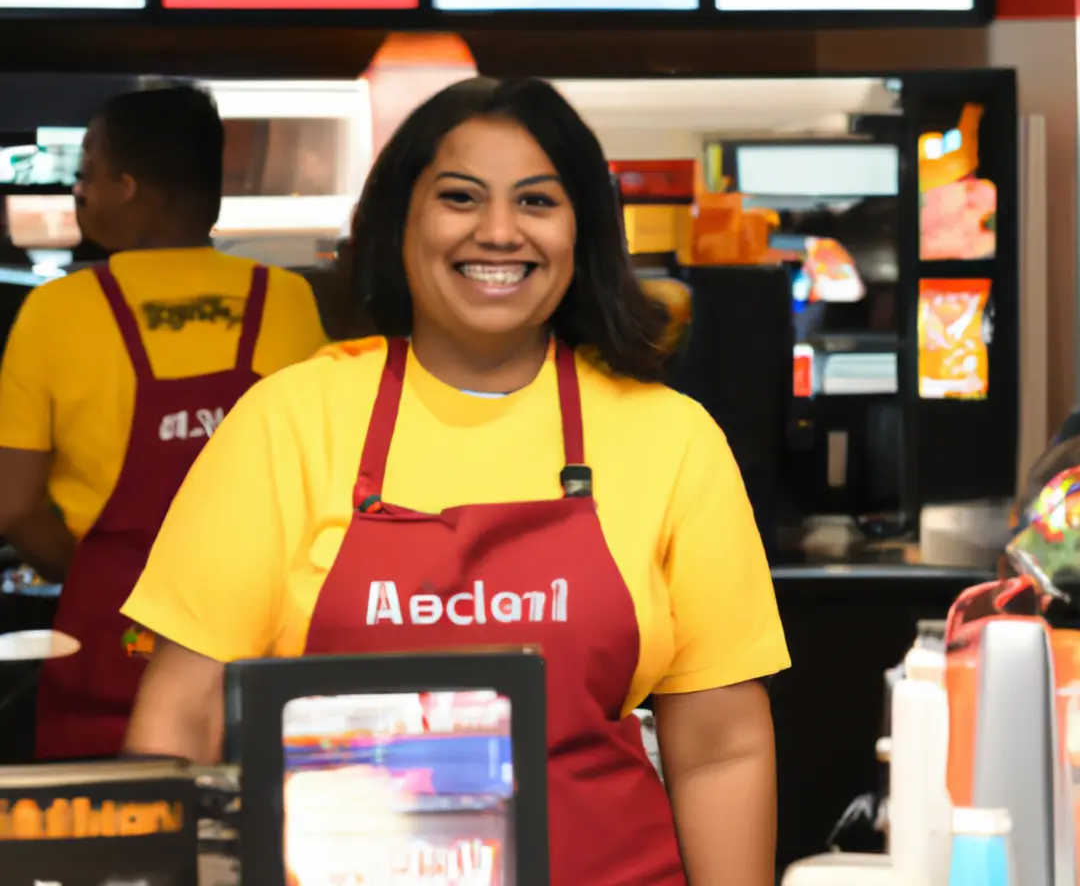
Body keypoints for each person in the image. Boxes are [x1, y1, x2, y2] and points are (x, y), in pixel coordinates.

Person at [123, 77, 789, 885]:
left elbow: (721, 747)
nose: (500, 232)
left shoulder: (671, 439)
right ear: (400, 222)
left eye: (538, 202)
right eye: (461, 198)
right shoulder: (289, 421)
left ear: (582, 231)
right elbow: (182, 718)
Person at [0, 85, 327, 761]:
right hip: (260, 645)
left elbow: (10, 504)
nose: (78, 192)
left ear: (125, 186)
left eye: (86, 171)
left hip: (108, 647)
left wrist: (97, 572)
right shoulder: (289, 301)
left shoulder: (58, 312)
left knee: (106, 841)